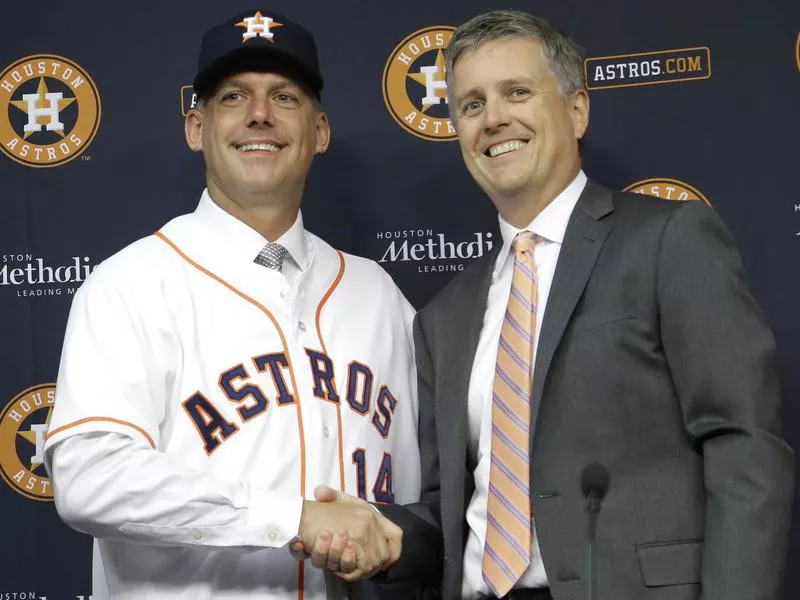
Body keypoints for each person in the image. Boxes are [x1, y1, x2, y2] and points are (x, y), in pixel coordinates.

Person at [309, 9, 795, 600]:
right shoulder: (444, 316)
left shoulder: (670, 239)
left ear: (577, 110)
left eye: (517, 92)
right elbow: (452, 509)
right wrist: (382, 532)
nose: (493, 119)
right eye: (471, 104)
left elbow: (745, 447)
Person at [43, 9, 422, 600]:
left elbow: (427, 489)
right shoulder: (131, 284)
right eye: (233, 97)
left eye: (285, 97)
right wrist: (287, 516)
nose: (260, 115)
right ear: (196, 128)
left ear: (320, 132)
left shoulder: (378, 295)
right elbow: (89, 478)